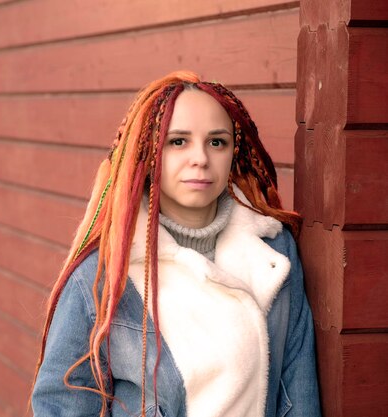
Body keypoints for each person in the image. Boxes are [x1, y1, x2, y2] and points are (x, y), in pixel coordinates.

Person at [31, 70, 321, 417]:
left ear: (233, 153)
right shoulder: (103, 277)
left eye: (217, 142)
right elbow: (61, 405)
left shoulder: (274, 252)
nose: (200, 157)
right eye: (178, 141)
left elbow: (299, 388)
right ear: (148, 153)